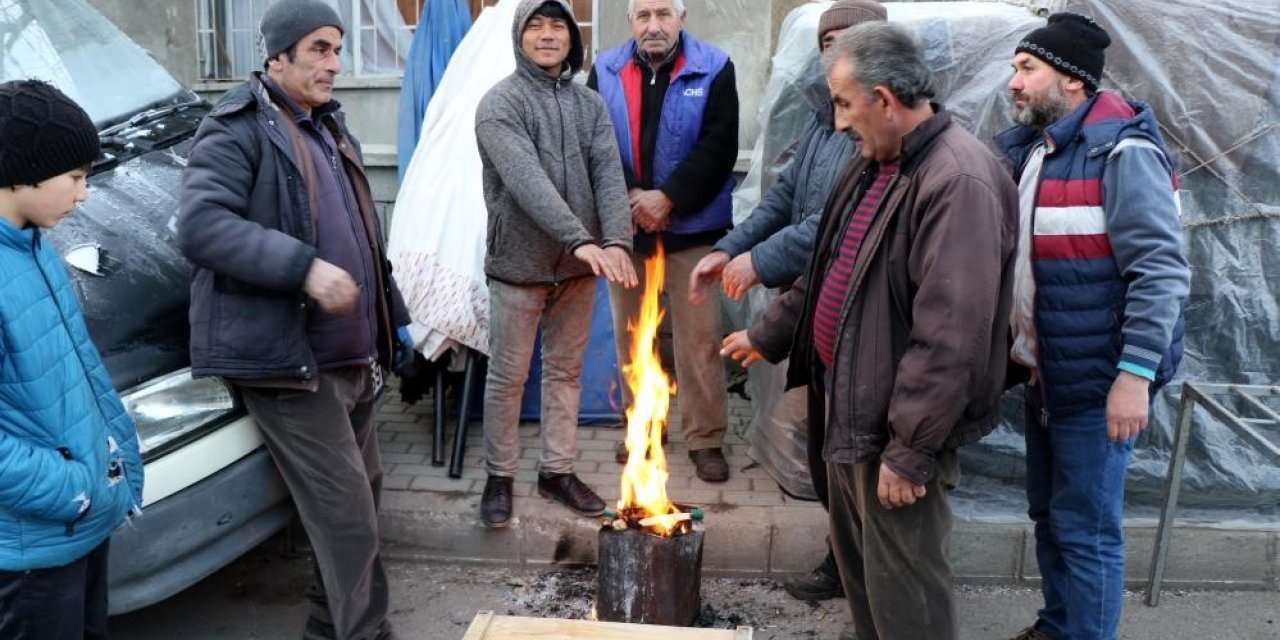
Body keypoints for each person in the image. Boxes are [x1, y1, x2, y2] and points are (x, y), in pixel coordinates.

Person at [722, 23, 1018, 640]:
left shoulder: (957, 179)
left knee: (907, 598)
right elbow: (830, 264)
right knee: (866, 585)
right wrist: (769, 334)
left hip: (891, 432)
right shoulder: (874, 163)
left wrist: (909, 453)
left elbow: (951, 339)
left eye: (843, 103)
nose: (836, 123)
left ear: (885, 99)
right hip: (850, 411)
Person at [177, 1, 413, 638]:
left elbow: (364, 237)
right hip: (288, 364)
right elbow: (201, 228)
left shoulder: (329, 127)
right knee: (347, 516)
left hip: (351, 359)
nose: (335, 64)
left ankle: (323, 621)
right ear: (276, 56)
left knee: (361, 496)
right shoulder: (236, 127)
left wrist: (396, 320)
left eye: (338, 49)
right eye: (319, 50)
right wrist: (303, 269)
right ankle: (364, 632)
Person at [996, 13, 1190, 640]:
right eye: (1015, 68)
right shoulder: (1039, 150)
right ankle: (1058, 626)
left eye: (1027, 69)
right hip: (1047, 375)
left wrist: (1132, 377)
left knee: (1087, 530)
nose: (1013, 83)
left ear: (1072, 81)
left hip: (1100, 381)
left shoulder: (1123, 153)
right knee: (1050, 518)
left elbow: (1160, 272)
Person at [687, 0, 886, 608]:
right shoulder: (822, 119)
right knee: (829, 451)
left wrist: (760, 262)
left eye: (845, 38)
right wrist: (729, 248)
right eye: (825, 39)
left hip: (857, 310)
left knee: (855, 455)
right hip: (812, 303)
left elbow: (836, 221)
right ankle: (844, 560)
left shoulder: (875, 128)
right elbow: (783, 199)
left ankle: (867, 575)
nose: (831, 48)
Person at [474, 0, 637, 529]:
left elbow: (609, 174)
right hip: (519, 263)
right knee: (508, 376)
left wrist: (615, 239)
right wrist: (578, 239)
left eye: (558, 26)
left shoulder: (589, 105)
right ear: (520, 36)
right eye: (536, 26)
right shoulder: (499, 104)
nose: (547, 36)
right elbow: (527, 183)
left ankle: (557, 471)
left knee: (565, 372)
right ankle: (499, 476)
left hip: (577, 267)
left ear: (572, 37)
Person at [0, 79, 144, 640]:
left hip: (78, 519)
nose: (84, 194)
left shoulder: (34, 245)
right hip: (33, 544)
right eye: (76, 177)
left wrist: (118, 458)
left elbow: (79, 371)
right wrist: (72, 489)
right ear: (22, 172)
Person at [588, 0, 739, 482]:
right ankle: (643, 429)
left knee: (699, 340)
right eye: (643, 15)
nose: (654, 25)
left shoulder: (715, 67)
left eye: (663, 14)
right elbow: (596, 144)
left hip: (694, 228)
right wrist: (633, 196)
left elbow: (720, 146)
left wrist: (668, 198)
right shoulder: (605, 69)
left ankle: (706, 438)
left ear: (682, 17)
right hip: (626, 227)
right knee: (633, 335)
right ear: (630, 21)